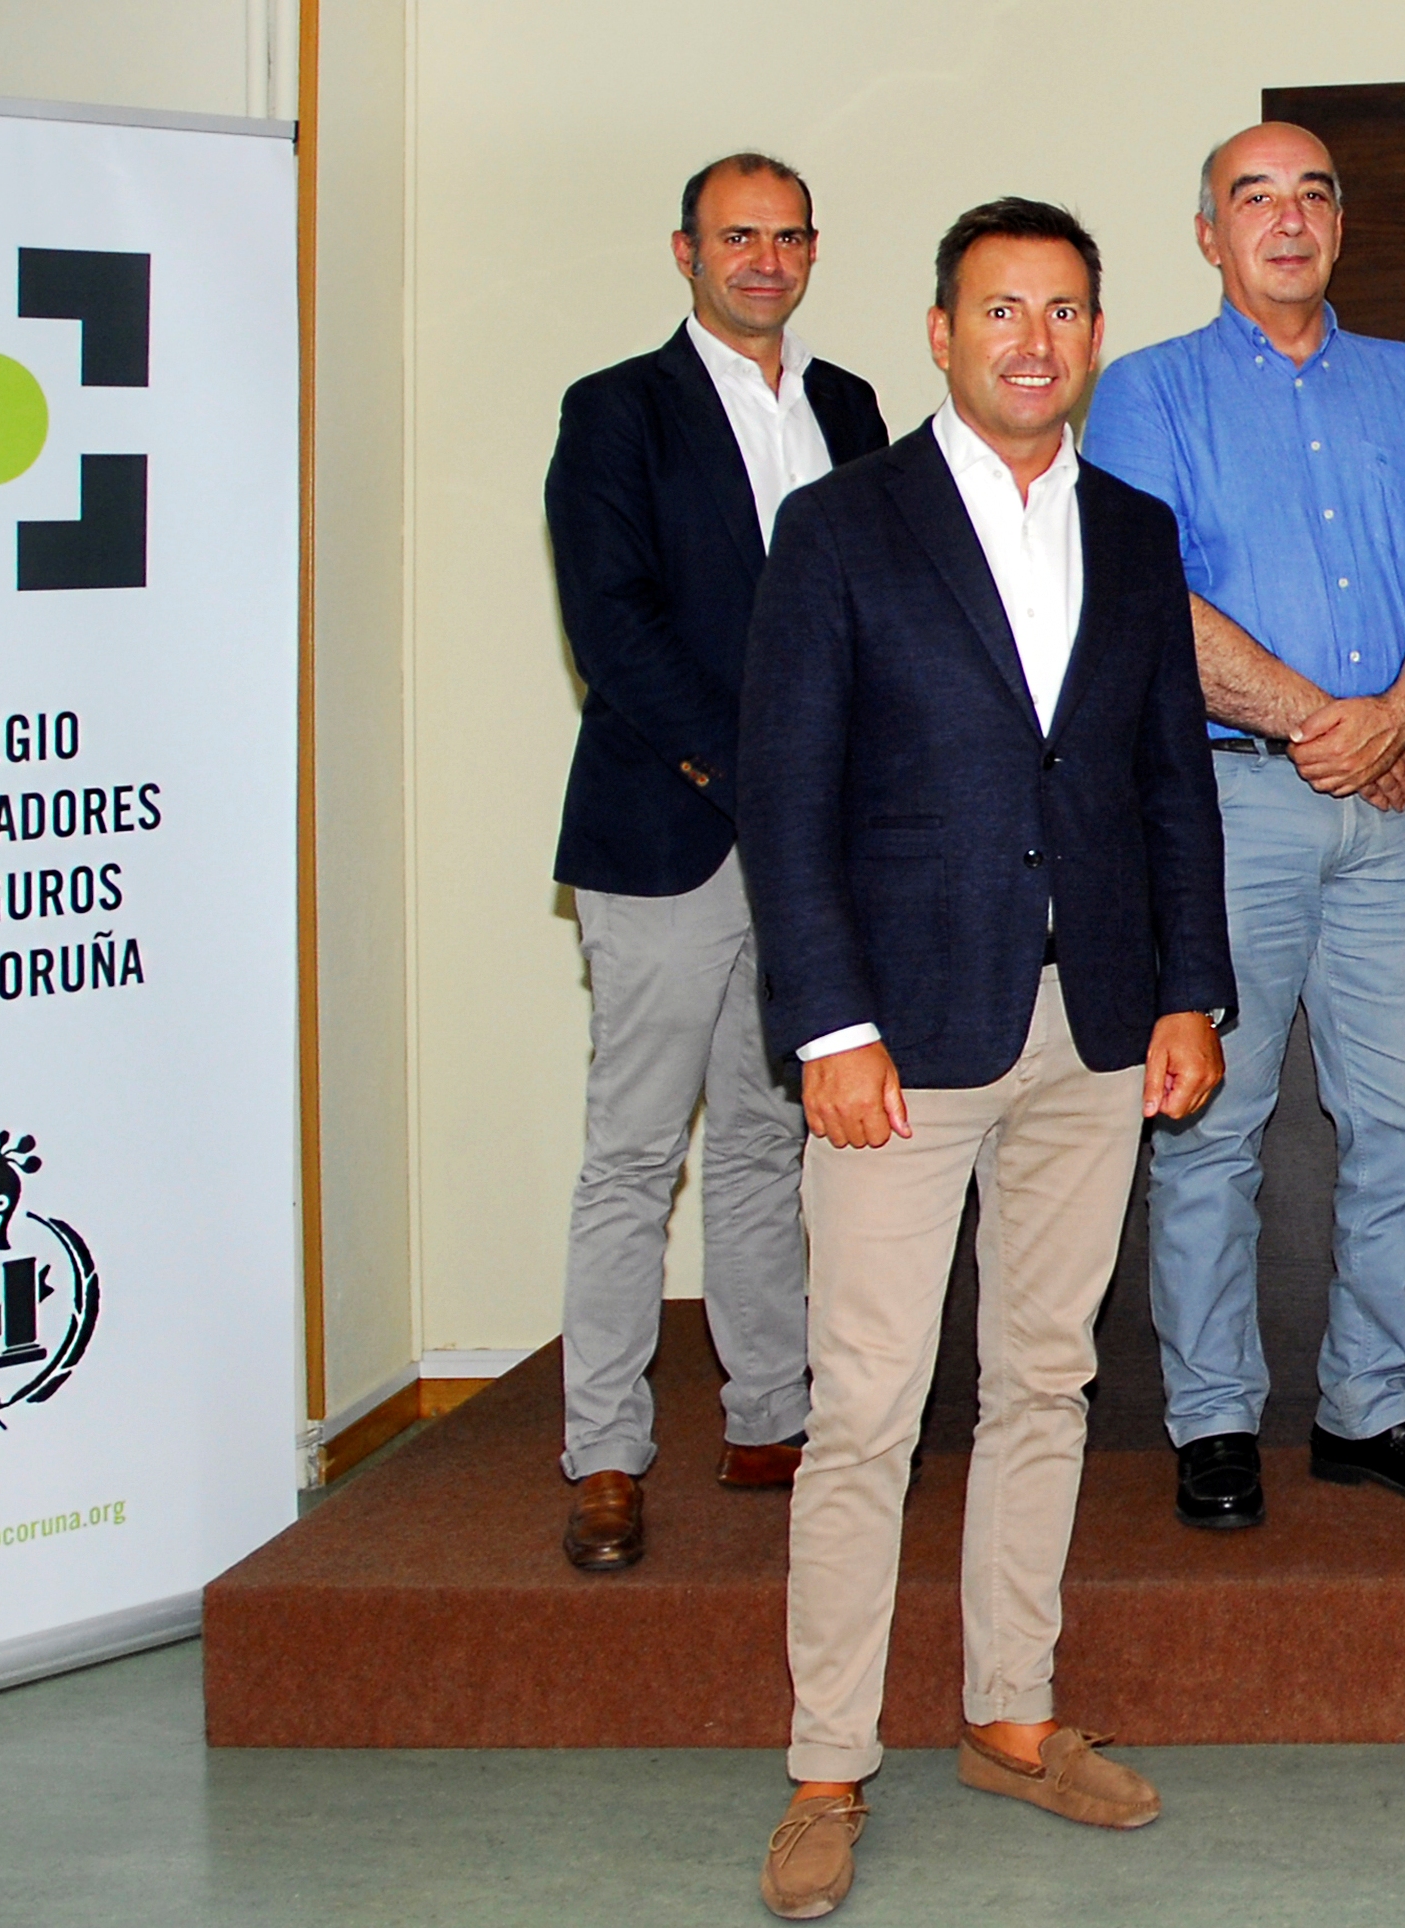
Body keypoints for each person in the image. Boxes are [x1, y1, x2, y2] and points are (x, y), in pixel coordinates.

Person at [738, 199, 1233, 1919]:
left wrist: (1190, 992)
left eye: (1067, 310)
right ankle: (826, 1765)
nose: (1036, 339)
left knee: (1045, 1381)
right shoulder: (839, 526)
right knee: (867, 1407)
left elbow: (1169, 779)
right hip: (900, 1036)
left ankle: (1011, 1715)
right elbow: (787, 800)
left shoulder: (1135, 528)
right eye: (1001, 310)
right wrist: (830, 1026)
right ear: (941, 333)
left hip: (1092, 1029)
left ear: (1095, 335)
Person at [1084, 123, 1405, 1532]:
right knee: (1210, 1124)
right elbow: (1149, 598)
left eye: (1313, 193)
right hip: (1225, 808)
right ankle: (1212, 1420)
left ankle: (1369, 1406)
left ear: (1340, 222)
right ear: (1209, 234)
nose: (1288, 219)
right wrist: (1338, 724)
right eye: (1253, 197)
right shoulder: (1146, 392)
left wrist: (1402, 714)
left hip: (1401, 804)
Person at [541, 152, 889, 1573]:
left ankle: (770, 1417)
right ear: (685, 251)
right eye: (737, 236)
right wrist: (749, 776)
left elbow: (877, 611)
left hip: (818, 849)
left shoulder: (848, 407)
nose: (764, 259)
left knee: (766, 1139)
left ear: (812, 252)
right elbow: (610, 624)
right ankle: (605, 1454)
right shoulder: (615, 409)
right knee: (635, 1154)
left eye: (787, 237)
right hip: (668, 833)